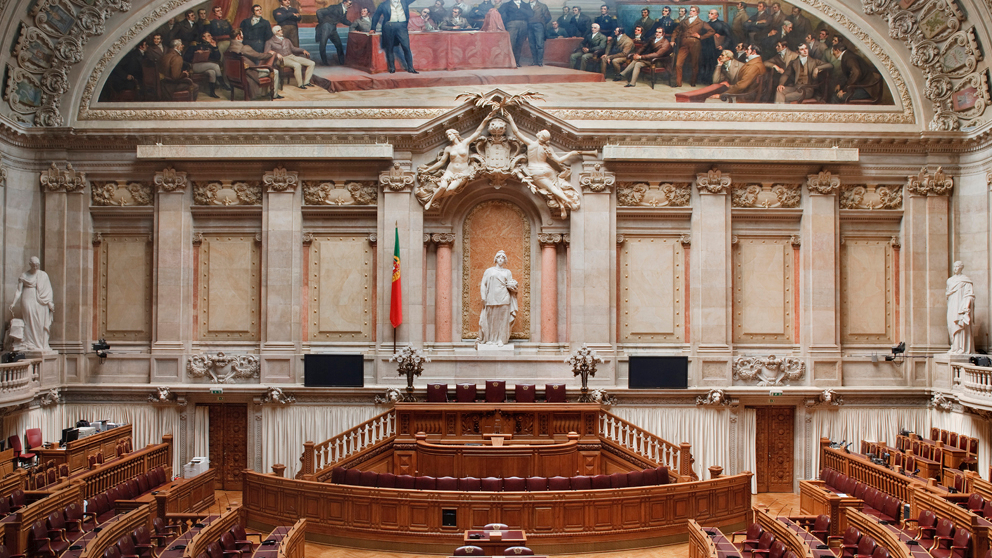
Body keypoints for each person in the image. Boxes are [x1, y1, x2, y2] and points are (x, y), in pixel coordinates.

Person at [505, 113, 583, 218]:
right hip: (547, 169)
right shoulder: (547, 148)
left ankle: (566, 201)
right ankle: (566, 201)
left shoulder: (531, 144)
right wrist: (570, 154)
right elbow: (559, 160)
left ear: (539, 135)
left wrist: (510, 118)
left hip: (535, 170)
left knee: (551, 188)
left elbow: (516, 132)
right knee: (554, 187)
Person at [417, 113, 494, 209]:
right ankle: (431, 200)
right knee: (443, 187)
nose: (449, 136)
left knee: (450, 189)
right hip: (450, 171)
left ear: (455, 134)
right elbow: (441, 162)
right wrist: (427, 170)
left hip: (462, 172)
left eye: (450, 134)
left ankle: (437, 196)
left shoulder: (465, 143)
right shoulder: (448, 148)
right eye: (447, 135)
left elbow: (477, 132)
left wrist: (486, 119)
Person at [9, 257, 54, 352]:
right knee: (29, 321)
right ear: (30, 264)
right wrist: (13, 303)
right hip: (27, 299)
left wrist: (49, 302)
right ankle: (30, 342)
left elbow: (48, 290)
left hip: (40, 300)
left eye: (37, 265)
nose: (35, 267)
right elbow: (18, 291)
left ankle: (40, 344)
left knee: (40, 322)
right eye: (34, 265)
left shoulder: (43, 275)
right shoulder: (24, 275)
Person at [478, 250, 518, 347]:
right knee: (491, 319)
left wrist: (514, 285)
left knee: (503, 320)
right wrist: (483, 297)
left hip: (504, 298)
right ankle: (490, 339)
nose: (500, 259)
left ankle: (501, 339)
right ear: (495, 259)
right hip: (491, 297)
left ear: (505, 260)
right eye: (499, 257)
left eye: (503, 258)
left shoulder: (507, 272)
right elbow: (483, 284)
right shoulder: (489, 271)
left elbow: (510, 284)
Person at [229, 28, 282, 99]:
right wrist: (270, 54)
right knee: (275, 72)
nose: (243, 36)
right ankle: (274, 95)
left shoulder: (230, 48)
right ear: (238, 36)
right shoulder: (243, 48)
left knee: (265, 69)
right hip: (248, 74)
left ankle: (264, 93)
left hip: (236, 76)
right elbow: (259, 56)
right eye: (242, 34)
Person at [371, 0, 418, 73]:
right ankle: (392, 68)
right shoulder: (384, 4)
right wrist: (373, 28)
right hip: (388, 26)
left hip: (402, 27)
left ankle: (410, 68)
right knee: (389, 48)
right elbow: (376, 15)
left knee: (406, 47)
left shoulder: (405, 2)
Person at [673, 6, 714, 87]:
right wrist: (672, 40)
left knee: (694, 63)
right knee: (678, 64)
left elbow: (712, 31)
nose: (691, 12)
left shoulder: (701, 22)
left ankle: (693, 81)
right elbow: (676, 31)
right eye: (690, 10)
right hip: (683, 44)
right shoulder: (684, 21)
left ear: (697, 13)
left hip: (695, 44)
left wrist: (700, 37)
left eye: (693, 11)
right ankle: (678, 83)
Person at [946, 261, 975, 355]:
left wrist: (966, 305)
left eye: (957, 266)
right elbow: (948, 293)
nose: (955, 268)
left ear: (961, 268)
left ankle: (961, 347)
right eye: (954, 266)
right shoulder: (950, 280)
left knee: (960, 325)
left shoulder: (966, 280)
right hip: (952, 305)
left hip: (961, 305)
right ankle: (954, 346)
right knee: (951, 325)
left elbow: (970, 294)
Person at [185, 31, 224, 97]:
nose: (211, 37)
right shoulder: (195, 45)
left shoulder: (210, 46)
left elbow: (217, 58)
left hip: (205, 66)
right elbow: (186, 58)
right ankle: (223, 84)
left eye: (210, 35)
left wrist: (215, 47)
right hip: (195, 66)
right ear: (203, 38)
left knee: (212, 72)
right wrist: (195, 52)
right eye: (208, 36)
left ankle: (212, 93)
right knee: (216, 66)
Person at [316, 0, 352, 64]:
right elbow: (319, 12)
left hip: (333, 29)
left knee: (339, 45)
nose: (350, 5)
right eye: (349, 4)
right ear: (344, 2)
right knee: (323, 45)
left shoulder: (344, 10)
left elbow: (344, 20)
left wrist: (353, 24)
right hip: (326, 27)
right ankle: (325, 62)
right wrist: (323, 23)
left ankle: (342, 62)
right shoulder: (334, 7)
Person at [499, 0, 532, 67]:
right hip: (511, 24)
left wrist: (520, 8)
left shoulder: (525, 5)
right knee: (511, 43)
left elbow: (530, 14)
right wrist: (508, 22)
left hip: (524, 25)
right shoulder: (507, 4)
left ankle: (516, 62)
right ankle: (509, 62)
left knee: (519, 44)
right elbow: (501, 13)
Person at [527, 0, 551, 66]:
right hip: (529, 26)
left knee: (540, 44)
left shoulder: (542, 6)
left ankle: (540, 62)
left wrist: (541, 22)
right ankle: (534, 61)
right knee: (532, 45)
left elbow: (548, 17)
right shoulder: (526, 5)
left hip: (539, 26)